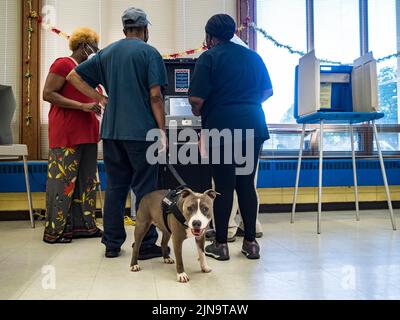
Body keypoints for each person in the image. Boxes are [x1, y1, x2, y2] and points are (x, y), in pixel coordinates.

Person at [66, 7, 168, 259]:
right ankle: (144, 245)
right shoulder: (150, 53)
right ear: (145, 30)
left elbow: (72, 76)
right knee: (145, 190)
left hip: (111, 132)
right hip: (142, 133)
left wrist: (100, 98)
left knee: (116, 187)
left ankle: (112, 244)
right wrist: (163, 131)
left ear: (124, 30)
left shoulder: (107, 53)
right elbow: (155, 96)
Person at [189, 14, 273, 260]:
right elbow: (267, 91)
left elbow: (196, 99)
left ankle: (222, 245)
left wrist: (202, 110)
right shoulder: (253, 57)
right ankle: (250, 243)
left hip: (222, 128)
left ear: (209, 36)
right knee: (246, 184)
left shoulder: (209, 58)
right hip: (253, 125)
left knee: (224, 187)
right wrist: (246, 105)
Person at [42, 27, 103, 243]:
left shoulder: (89, 71)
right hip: (67, 132)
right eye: (92, 47)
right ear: (81, 46)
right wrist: (81, 106)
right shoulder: (63, 64)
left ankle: (84, 227)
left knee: (87, 183)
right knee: (63, 182)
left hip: (88, 133)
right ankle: (57, 230)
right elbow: (48, 94)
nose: (94, 51)